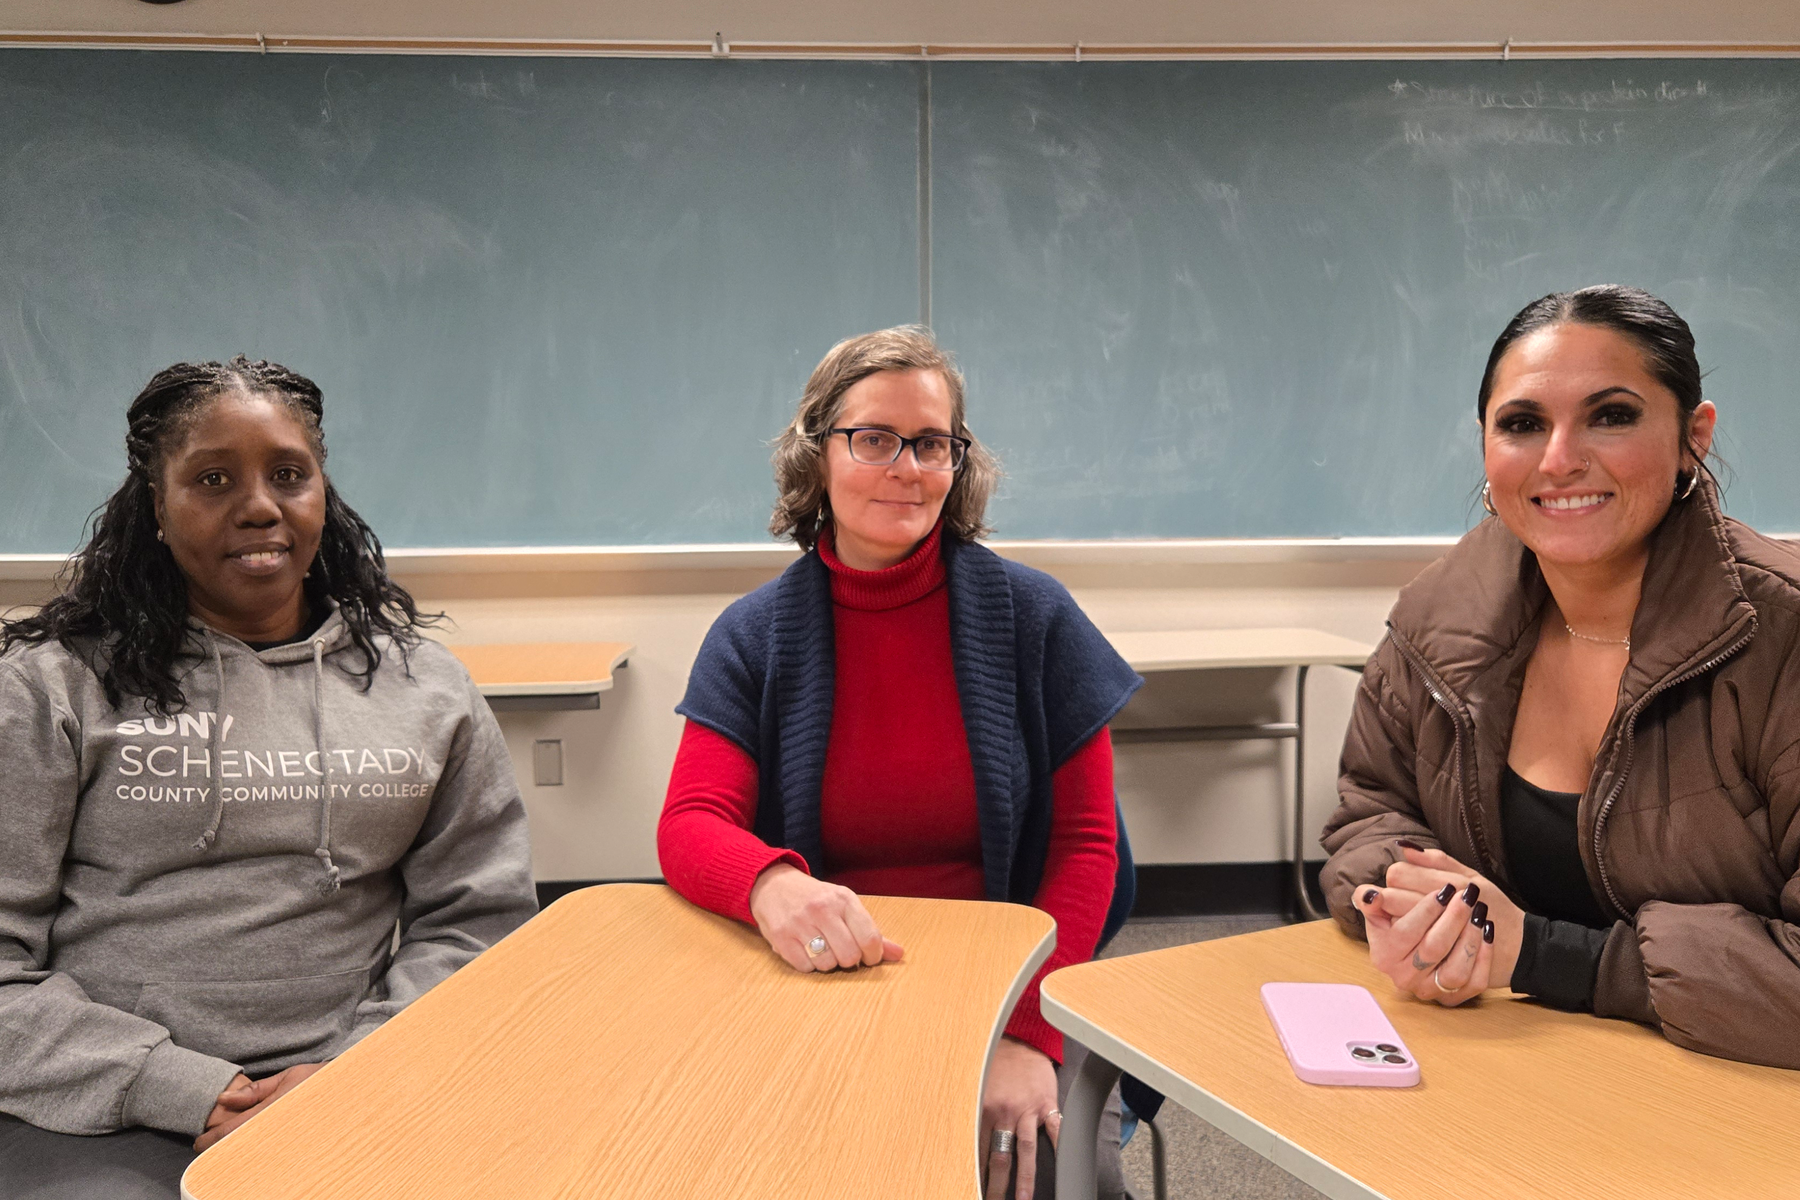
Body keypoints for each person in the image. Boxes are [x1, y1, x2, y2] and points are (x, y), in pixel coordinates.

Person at [0, 357, 538, 1197]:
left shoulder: (426, 687)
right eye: (213, 479)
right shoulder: (51, 684)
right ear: (155, 505)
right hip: (108, 1099)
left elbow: (479, 923)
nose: (259, 506)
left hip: (361, 1080)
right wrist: (179, 1086)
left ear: (323, 491)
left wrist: (360, 1064)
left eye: (289, 474)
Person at [658, 326, 1140, 1200]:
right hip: (826, 979)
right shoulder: (753, 636)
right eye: (873, 438)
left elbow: (1085, 846)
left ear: (960, 462)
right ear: (818, 453)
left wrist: (1028, 1031)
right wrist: (770, 885)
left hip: (1017, 979)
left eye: (932, 443)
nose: (906, 467)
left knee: (1049, 1173)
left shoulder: (1036, 618)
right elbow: (691, 823)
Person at [1321, 285, 1800, 1066]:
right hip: (1510, 1067)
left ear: (1694, 436)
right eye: (1522, 424)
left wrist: (1545, 955)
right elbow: (1368, 816)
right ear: (1484, 444)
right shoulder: (1437, 614)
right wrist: (1428, 915)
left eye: (1611, 415)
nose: (1559, 459)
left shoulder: (1783, 636)